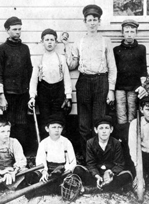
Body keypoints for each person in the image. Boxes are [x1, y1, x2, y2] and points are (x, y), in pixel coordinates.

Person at [62, 4, 117, 158]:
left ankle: (100, 156)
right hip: (84, 81)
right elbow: (72, 65)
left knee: (99, 120)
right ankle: (87, 157)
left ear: (99, 22)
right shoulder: (79, 41)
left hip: (101, 82)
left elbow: (112, 67)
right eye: (89, 19)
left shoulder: (105, 41)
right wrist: (66, 46)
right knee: (84, 123)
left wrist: (111, 90)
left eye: (95, 19)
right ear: (85, 22)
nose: (92, 22)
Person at [0, 16, 33, 149]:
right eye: (14, 29)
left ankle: (21, 156)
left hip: (23, 94)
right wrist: (2, 96)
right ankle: (8, 154)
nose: (18, 32)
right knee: (9, 125)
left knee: (22, 124)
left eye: (19, 29)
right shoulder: (2, 49)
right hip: (8, 94)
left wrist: (31, 94)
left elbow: (30, 71)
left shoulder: (25, 49)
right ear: (7, 30)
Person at [28, 28, 72, 139]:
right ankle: (45, 147)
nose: (49, 42)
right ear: (42, 42)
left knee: (59, 119)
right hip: (44, 92)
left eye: (52, 39)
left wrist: (68, 96)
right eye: (46, 40)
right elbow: (33, 79)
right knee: (45, 120)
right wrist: (32, 96)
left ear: (56, 42)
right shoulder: (39, 59)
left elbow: (66, 77)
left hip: (58, 91)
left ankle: (61, 147)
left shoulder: (61, 58)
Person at [73, 116, 132, 193]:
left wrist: (111, 172)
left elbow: (119, 164)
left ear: (111, 130)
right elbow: (91, 164)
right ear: (96, 130)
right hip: (96, 174)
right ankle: (107, 187)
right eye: (101, 128)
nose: (104, 131)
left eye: (106, 128)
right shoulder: (90, 143)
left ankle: (92, 189)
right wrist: (97, 176)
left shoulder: (116, 143)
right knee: (77, 169)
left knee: (127, 175)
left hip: (110, 175)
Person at [25, 114, 77, 198]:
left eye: (59, 127)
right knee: (32, 176)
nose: (57, 130)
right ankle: (50, 188)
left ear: (62, 129)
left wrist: (65, 171)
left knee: (67, 182)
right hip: (48, 171)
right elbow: (40, 161)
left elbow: (72, 162)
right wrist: (44, 172)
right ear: (47, 129)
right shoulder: (44, 143)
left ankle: (48, 189)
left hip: (62, 172)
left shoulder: (66, 142)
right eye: (53, 127)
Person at [113, 19, 148, 125]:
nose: (129, 35)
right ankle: (122, 138)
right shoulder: (116, 50)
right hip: (119, 87)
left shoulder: (141, 49)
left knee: (132, 114)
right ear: (122, 32)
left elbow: (143, 69)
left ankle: (131, 138)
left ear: (136, 33)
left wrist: (143, 85)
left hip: (134, 88)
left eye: (132, 32)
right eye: (127, 32)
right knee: (121, 114)